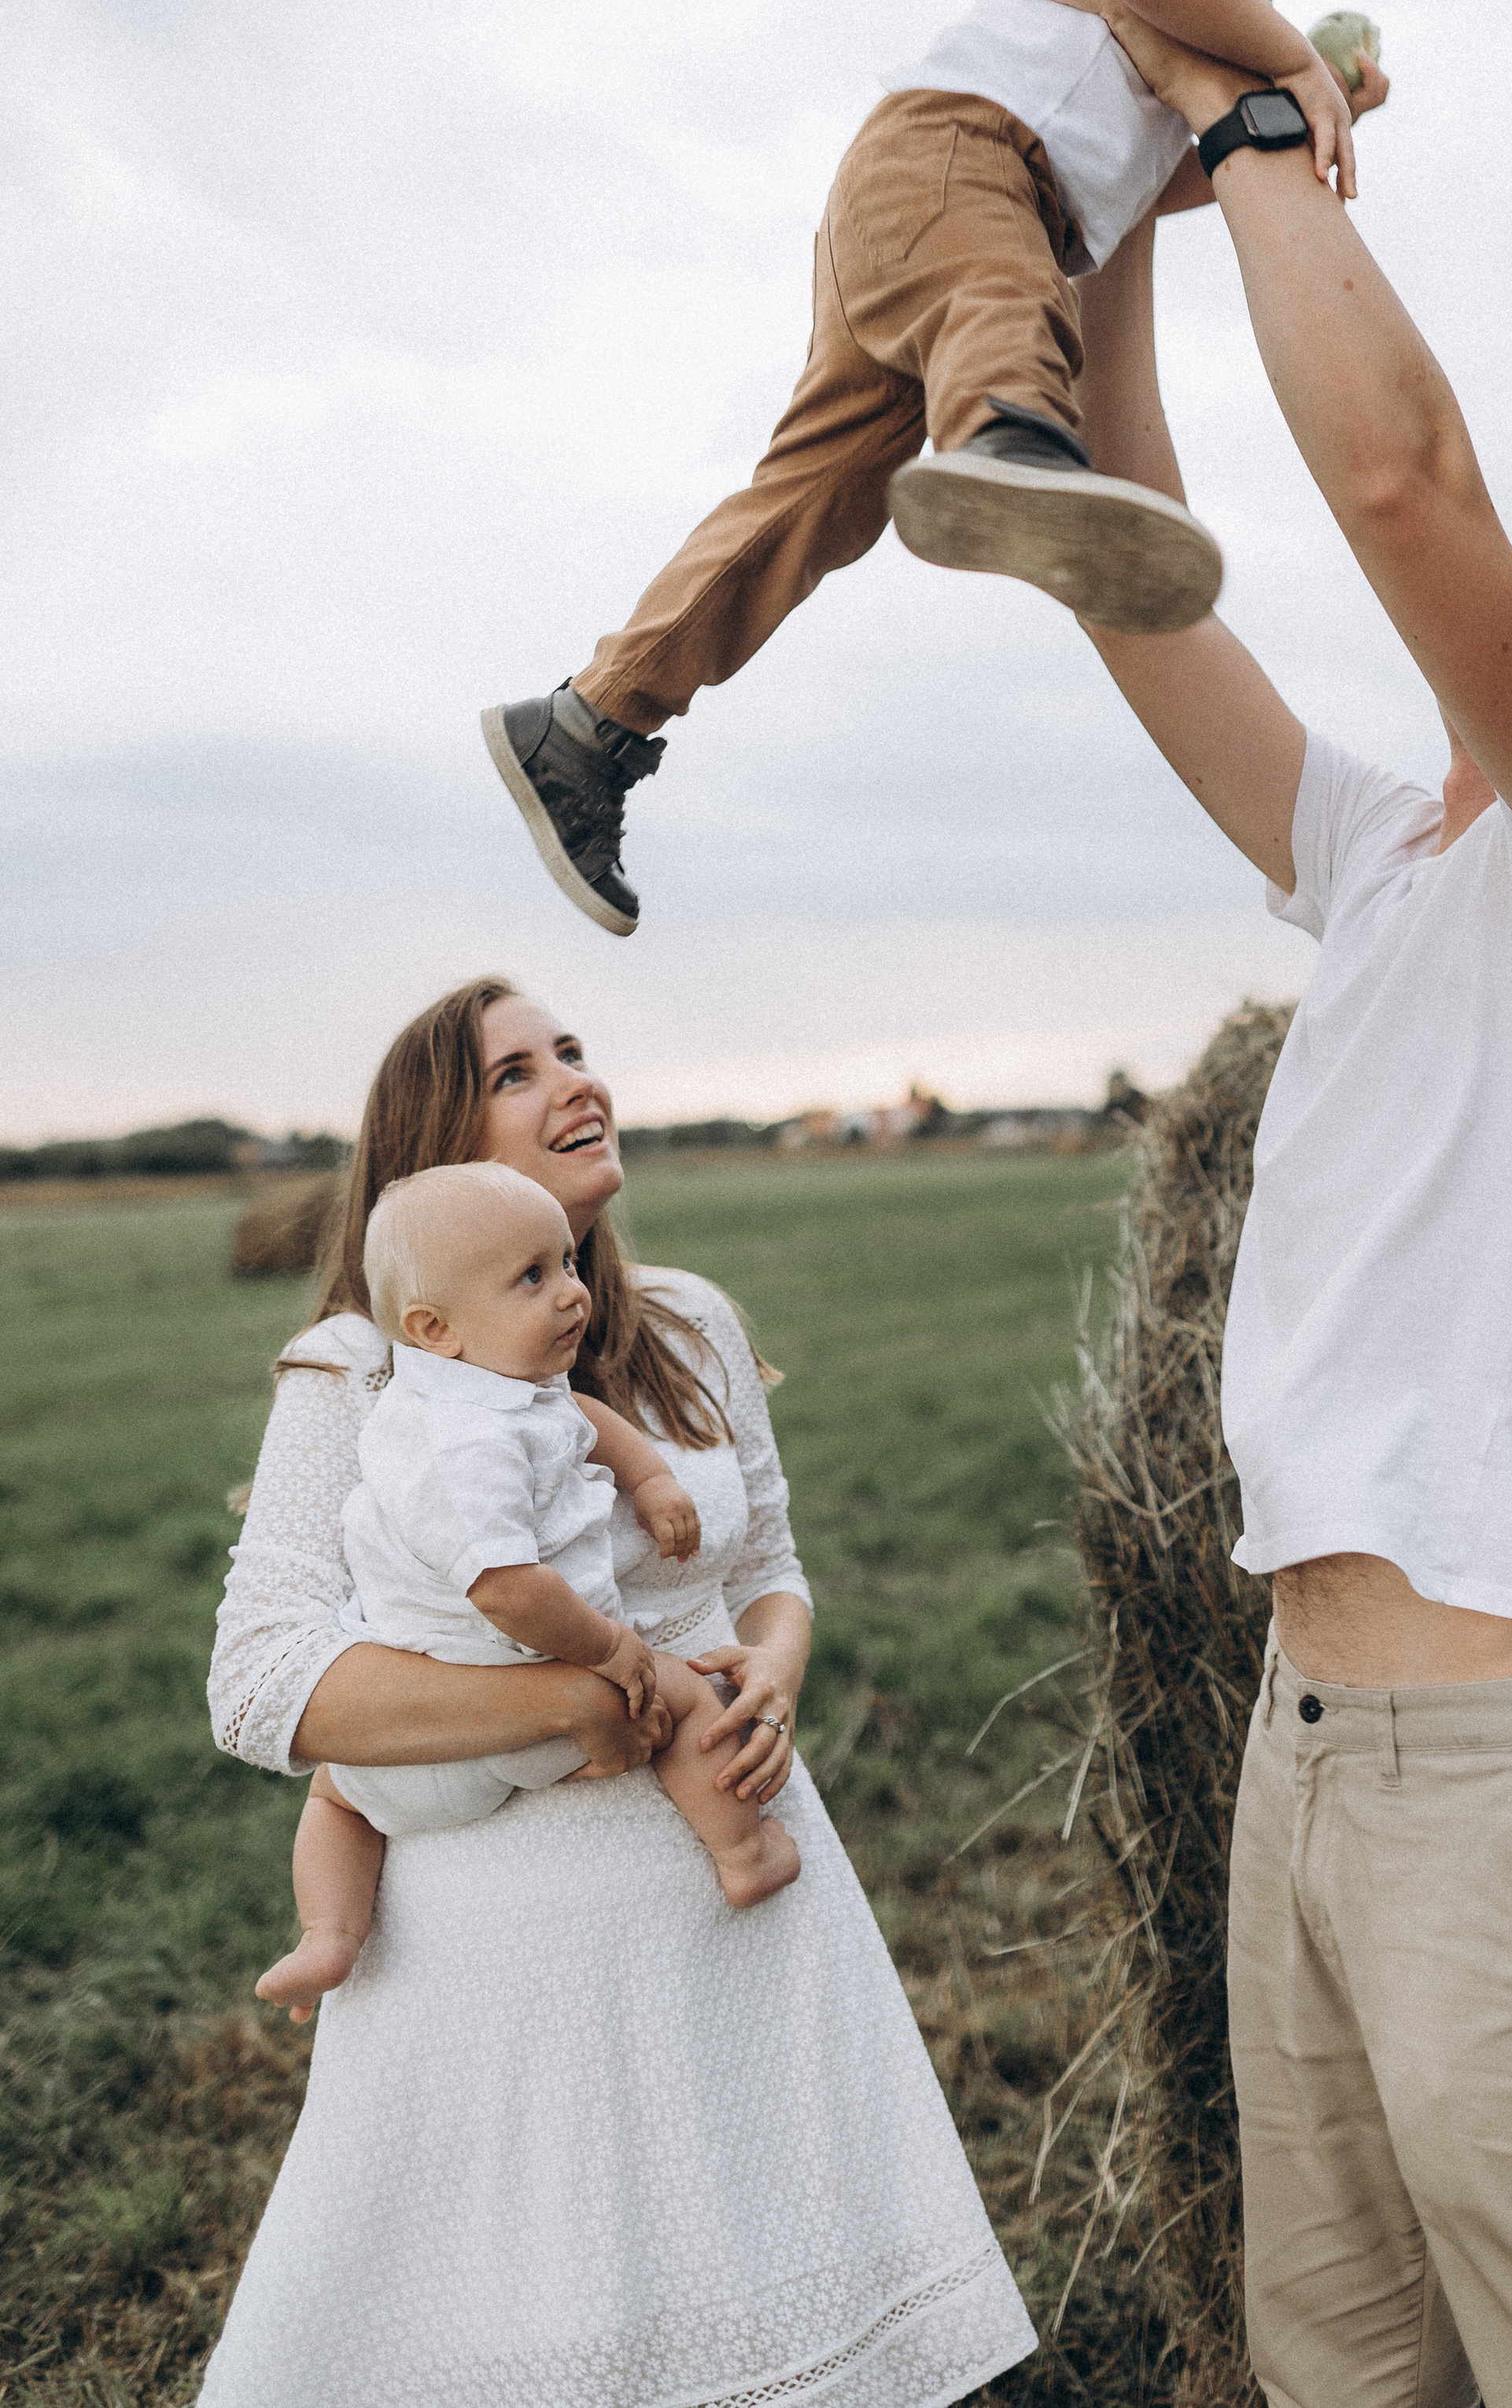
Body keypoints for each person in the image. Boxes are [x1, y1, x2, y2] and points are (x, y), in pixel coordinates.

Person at [1011, 0, 1512, 2405]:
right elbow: (1127, 575)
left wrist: (1261, 118)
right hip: (1301, 1756)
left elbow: (1394, 466)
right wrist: (1111, 157)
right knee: (1336, 2377)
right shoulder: (1387, 853)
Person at [482, 0, 1430, 937]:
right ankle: (1004, 441)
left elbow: (1147, 178)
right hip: (964, 161)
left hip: (938, 205)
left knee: (816, 501)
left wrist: (1271, 117)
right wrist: (1298, 65)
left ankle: (593, 722)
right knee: (1009, 297)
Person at [200, 979, 1034, 2408]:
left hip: (746, 1882)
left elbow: (772, 1566)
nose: (575, 1079)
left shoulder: (693, 1326)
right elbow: (262, 1681)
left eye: (574, 1050)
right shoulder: (366, 1365)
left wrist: (770, 1669)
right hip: (511, 1945)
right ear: (440, 1148)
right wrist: (574, 1704)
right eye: (518, 1071)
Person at [255, 1162, 797, 2026]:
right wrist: (611, 1652)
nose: (570, 1294)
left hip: (401, 1744)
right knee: (687, 1699)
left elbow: (584, 1420)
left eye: (568, 1264)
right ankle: (743, 1851)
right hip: (517, 1708)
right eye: (532, 1277)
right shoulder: (467, 1443)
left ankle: (329, 1930)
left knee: (333, 1795)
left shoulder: (464, 1391)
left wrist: (649, 1479)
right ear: (435, 1325)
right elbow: (507, 1590)